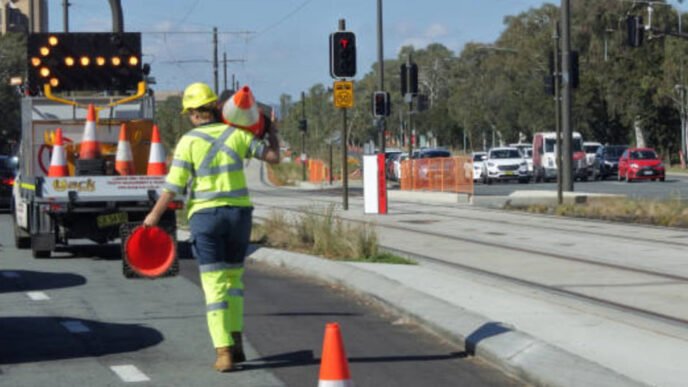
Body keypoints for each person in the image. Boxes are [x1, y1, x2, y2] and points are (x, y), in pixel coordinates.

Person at [143, 82, 280, 372]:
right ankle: (235, 339)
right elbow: (273, 157)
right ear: (215, 109)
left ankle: (223, 352)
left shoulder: (188, 142)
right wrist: (272, 131)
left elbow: (173, 187)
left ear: (193, 113)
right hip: (239, 217)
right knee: (234, 283)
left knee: (214, 286)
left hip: (206, 219)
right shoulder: (238, 135)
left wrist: (153, 217)